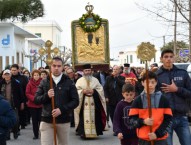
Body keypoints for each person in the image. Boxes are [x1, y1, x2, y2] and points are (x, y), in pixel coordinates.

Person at [34, 57, 79, 145]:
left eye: (59, 66)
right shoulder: (44, 81)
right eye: (54, 66)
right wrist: (47, 95)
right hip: (47, 119)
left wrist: (61, 109)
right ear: (51, 67)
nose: (56, 68)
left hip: (63, 120)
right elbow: (36, 99)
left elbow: (75, 101)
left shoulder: (69, 82)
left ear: (63, 67)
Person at [156, 49, 191, 145]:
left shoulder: (183, 73)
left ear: (174, 58)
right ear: (161, 59)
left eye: (171, 56)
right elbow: (153, 96)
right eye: (166, 57)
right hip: (165, 118)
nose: (169, 59)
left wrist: (177, 89)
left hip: (182, 117)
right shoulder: (156, 76)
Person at [129, 71, 173, 145]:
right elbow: (131, 120)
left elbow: (169, 120)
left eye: (153, 82)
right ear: (142, 83)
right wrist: (143, 122)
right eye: (147, 82)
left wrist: (157, 134)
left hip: (160, 139)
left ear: (156, 83)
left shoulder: (163, 99)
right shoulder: (137, 101)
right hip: (144, 140)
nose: (150, 85)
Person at [74, 64, 107, 139]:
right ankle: (83, 133)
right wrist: (82, 91)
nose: (88, 72)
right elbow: (76, 91)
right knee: (82, 117)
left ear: (91, 71)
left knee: (95, 117)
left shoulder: (95, 80)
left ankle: (95, 132)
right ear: (83, 72)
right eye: (86, 70)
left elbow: (100, 89)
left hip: (94, 102)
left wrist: (94, 91)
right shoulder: (79, 81)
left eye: (89, 70)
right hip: (83, 103)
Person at [0, 69, 23, 140]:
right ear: (3, 76)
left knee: (15, 119)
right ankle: (7, 135)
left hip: (14, 104)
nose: (7, 76)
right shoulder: (0, 83)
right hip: (4, 106)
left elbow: (21, 93)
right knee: (5, 121)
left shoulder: (16, 83)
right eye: (5, 74)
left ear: (10, 75)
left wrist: (22, 103)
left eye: (8, 74)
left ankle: (15, 131)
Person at [26, 70, 42, 139]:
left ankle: (42, 133)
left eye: (37, 75)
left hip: (41, 104)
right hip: (32, 104)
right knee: (34, 120)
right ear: (32, 76)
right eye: (35, 75)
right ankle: (35, 134)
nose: (36, 76)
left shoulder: (43, 82)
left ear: (39, 75)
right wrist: (34, 98)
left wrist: (40, 99)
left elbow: (45, 92)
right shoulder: (29, 83)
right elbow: (27, 93)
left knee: (41, 120)